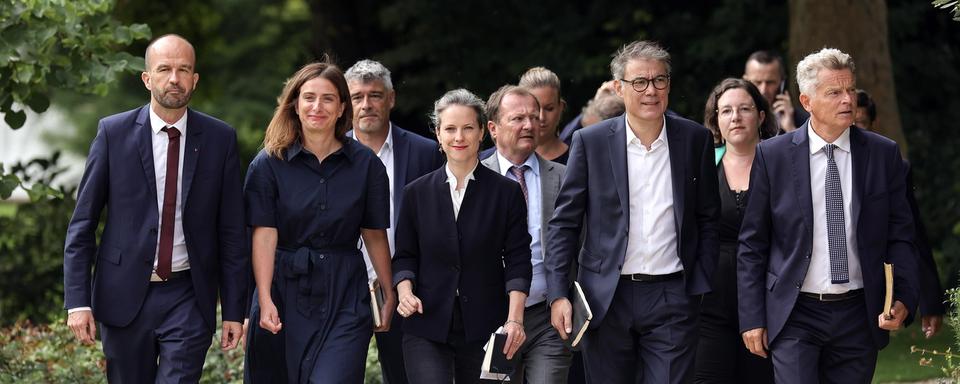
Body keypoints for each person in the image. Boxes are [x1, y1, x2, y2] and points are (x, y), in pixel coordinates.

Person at [63, 34, 247, 382]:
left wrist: (235, 310)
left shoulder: (220, 139)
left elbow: (232, 232)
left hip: (189, 295)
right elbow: (82, 224)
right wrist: (78, 301)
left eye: (183, 70)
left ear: (195, 79)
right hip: (123, 294)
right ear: (147, 78)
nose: (174, 79)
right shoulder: (112, 133)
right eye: (164, 69)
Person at [737, 48, 919, 384]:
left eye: (850, 89)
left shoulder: (883, 154)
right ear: (806, 102)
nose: (848, 99)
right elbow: (753, 242)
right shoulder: (772, 156)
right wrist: (752, 316)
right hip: (795, 312)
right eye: (834, 92)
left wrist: (904, 296)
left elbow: (901, 234)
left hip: (858, 313)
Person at [545, 40, 720, 384]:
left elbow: (708, 217)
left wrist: (699, 279)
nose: (650, 90)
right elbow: (564, 224)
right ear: (619, 88)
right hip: (606, 297)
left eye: (659, 80)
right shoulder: (590, 142)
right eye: (639, 82)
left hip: (673, 294)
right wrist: (558, 294)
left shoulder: (695, 139)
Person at [243, 60, 396, 383]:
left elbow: (373, 232)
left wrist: (388, 290)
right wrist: (265, 297)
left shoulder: (366, 165)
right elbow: (264, 235)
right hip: (284, 289)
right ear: (295, 104)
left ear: (342, 107)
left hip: (345, 292)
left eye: (328, 99)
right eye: (309, 97)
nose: (317, 107)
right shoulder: (268, 164)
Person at [393, 88, 532, 384]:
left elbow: (519, 258)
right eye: (451, 129)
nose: (459, 137)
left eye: (468, 128)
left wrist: (515, 318)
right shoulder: (415, 193)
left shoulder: (506, 193)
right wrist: (405, 293)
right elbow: (405, 256)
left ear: (482, 131)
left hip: (488, 326)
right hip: (426, 322)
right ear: (438, 134)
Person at [345, 58, 444, 384]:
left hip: (405, 287)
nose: (366, 104)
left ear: (391, 99)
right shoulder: (332, 152)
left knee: (404, 376)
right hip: (343, 287)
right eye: (357, 97)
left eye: (375, 95)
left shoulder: (425, 152)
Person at [480, 85, 572, 382]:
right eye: (518, 118)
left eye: (534, 117)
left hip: (548, 316)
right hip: (491, 317)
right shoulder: (473, 179)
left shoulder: (563, 177)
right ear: (493, 128)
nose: (531, 125)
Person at [694, 78, 776, 384]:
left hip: (767, 302)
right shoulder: (701, 166)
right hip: (710, 305)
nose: (736, 117)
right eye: (726, 111)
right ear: (715, 120)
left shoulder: (781, 165)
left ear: (761, 116)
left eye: (744, 109)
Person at [854, 89, 945, 339]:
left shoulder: (895, 168)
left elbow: (911, 235)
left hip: (873, 292)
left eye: (860, 123)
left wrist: (929, 301)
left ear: (874, 124)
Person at [743, 50, 809, 134]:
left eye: (770, 82)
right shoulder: (734, 117)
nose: (763, 90)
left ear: (782, 83)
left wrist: (790, 128)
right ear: (745, 81)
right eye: (757, 82)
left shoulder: (804, 120)